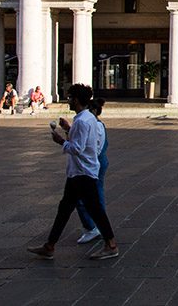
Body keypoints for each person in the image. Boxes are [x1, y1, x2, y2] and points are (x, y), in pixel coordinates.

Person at [27, 83, 119, 261]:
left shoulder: (83, 121)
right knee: (66, 209)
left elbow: (78, 148)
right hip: (78, 172)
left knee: (94, 210)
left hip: (83, 173)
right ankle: (49, 246)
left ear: (76, 100)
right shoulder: (86, 119)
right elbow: (82, 141)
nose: (68, 100)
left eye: (70, 97)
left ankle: (111, 244)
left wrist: (61, 141)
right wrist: (68, 129)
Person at [74, 97, 109, 244]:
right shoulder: (96, 124)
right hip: (97, 162)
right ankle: (100, 229)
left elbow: (90, 147)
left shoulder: (93, 124)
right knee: (94, 195)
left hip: (92, 164)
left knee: (83, 198)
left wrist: (63, 142)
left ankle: (93, 228)